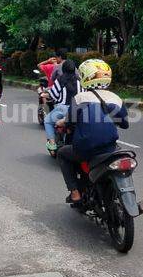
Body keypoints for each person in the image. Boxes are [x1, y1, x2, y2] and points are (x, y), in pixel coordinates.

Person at [55, 59, 129, 203]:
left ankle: (75, 192)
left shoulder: (80, 98)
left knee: (62, 154)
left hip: (85, 150)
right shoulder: (116, 99)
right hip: (110, 148)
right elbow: (125, 124)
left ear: (85, 77)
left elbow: (69, 123)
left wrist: (61, 123)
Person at [43, 60, 82, 153]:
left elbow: (54, 96)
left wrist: (47, 95)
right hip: (79, 110)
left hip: (63, 109)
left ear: (63, 69)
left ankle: (52, 145)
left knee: (47, 121)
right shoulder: (80, 80)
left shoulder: (60, 79)